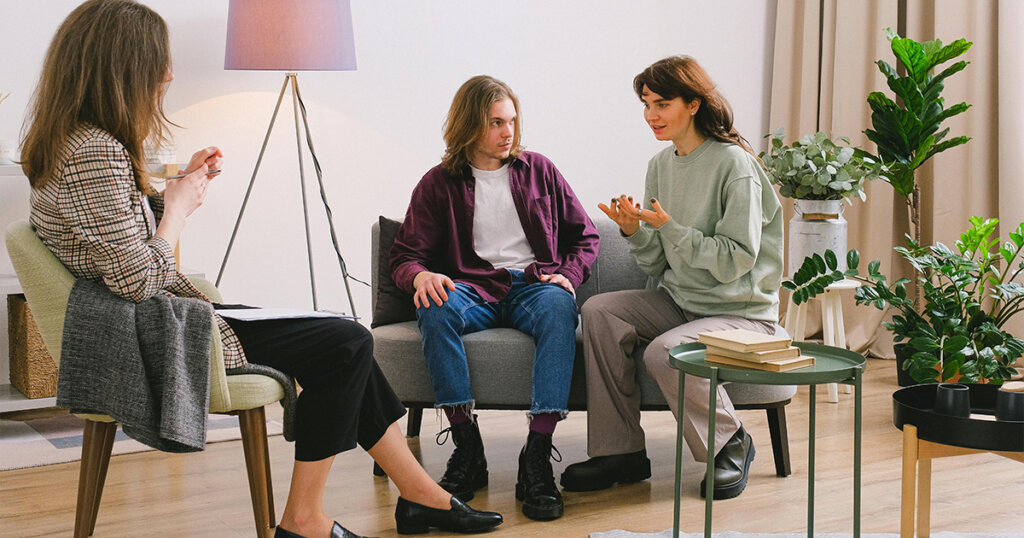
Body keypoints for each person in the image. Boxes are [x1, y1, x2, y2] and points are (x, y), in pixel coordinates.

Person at [20, 2, 502, 537]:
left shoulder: (76, 142)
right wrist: (177, 211)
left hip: (154, 317)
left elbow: (114, 239)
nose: (169, 74)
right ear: (121, 66)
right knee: (345, 343)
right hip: (152, 330)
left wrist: (180, 188)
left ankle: (419, 498)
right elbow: (133, 278)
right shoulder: (94, 151)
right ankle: (305, 521)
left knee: (346, 343)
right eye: (160, 60)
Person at [560, 55, 784, 501]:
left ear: (694, 104)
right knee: (599, 311)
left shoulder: (735, 166)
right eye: (646, 104)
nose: (651, 116)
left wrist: (669, 228)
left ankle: (730, 440)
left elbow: (735, 261)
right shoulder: (660, 166)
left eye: (662, 104)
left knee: (666, 353)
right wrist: (634, 231)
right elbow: (656, 265)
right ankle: (620, 452)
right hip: (680, 303)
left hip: (739, 313)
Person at [389, 75, 599, 521]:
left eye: (511, 121)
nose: (508, 132)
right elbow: (405, 255)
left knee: (561, 308)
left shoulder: (539, 169)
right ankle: (468, 450)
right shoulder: (438, 183)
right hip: (473, 288)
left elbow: (586, 236)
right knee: (433, 305)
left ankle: (537, 457)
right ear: (469, 125)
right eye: (495, 123)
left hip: (532, 285)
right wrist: (421, 276)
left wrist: (567, 275)